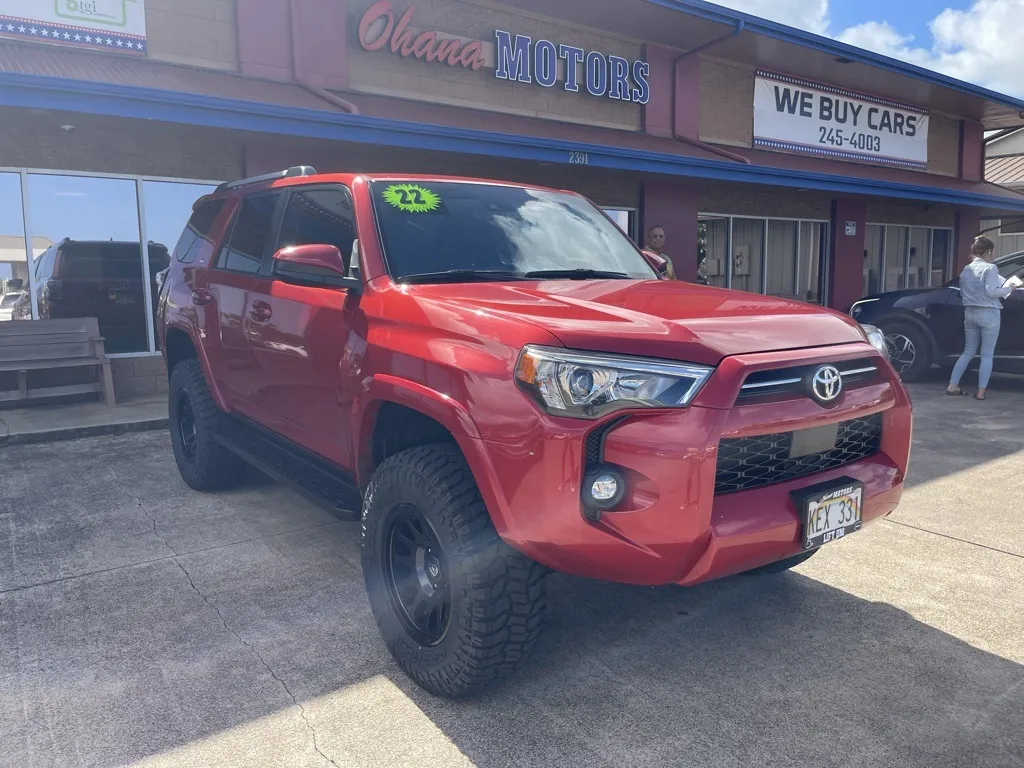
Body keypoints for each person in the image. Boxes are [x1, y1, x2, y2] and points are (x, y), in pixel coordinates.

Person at [947, 235, 1018, 400]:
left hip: (970, 312)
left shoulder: (966, 269)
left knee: (968, 351)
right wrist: (1010, 289)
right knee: (987, 354)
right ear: (988, 251)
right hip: (989, 313)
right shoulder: (990, 268)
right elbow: (991, 291)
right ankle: (980, 392)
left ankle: (953, 384)